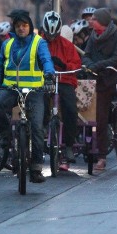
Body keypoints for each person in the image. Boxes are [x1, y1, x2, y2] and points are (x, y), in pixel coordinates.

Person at [0, 9, 55, 183]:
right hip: (11, 89)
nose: (21, 29)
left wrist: (49, 75)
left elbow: (46, 60)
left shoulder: (39, 42)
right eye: (18, 26)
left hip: (35, 91)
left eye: (24, 25)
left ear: (30, 26)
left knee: (37, 129)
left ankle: (36, 168)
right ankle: (5, 135)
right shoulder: (7, 44)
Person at [81, 8, 117, 171]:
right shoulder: (93, 37)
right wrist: (87, 64)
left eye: (94, 19)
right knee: (99, 118)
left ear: (102, 21)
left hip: (113, 77)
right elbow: (86, 54)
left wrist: (98, 64)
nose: (91, 21)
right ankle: (101, 155)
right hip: (99, 80)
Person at [40, 11, 81, 163]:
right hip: (43, 79)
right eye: (48, 35)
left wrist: (64, 65)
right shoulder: (38, 42)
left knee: (71, 109)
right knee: (40, 99)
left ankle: (69, 145)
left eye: (54, 35)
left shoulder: (66, 45)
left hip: (64, 80)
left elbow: (76, 64)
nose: (51, 38)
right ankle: (43, 126)